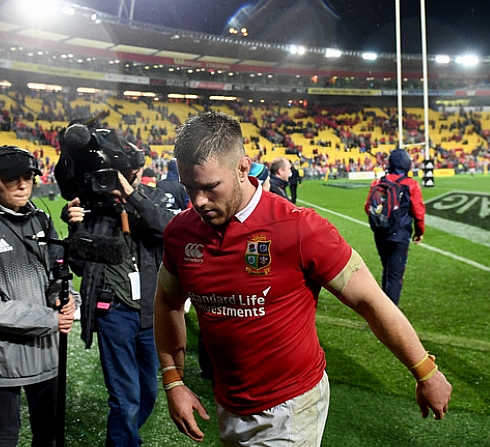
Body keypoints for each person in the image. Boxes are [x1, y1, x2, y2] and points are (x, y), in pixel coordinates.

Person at [154, 113, 451, 445]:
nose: (197, 201)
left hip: (290, 407)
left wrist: (426, 371)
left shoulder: (300, 229)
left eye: (209, 187)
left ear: (242, 168)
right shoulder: (181, 232)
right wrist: (173, 381)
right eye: (189, 187)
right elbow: (168, 300)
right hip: (228, 401)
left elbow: (370, 300)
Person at [0, 145, 75, 447]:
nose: (22, 185)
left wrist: (67, 298)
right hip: (0, 359)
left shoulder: (42, 222)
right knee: (5, 438)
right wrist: (51, 318)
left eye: (28, 177)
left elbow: (57, 275)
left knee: (49, 435)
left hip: (47, 354)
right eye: (11, 179)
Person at [64, 158, 180, 446]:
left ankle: (124, 437)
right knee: (125, 397)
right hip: (113, 310)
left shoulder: (153, 200)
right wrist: (75, 228)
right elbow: (79, 265)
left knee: (147, 392)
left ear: (138, 171)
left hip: (150, 310)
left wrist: (131, 196)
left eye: (129, 173)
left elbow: (166, 228)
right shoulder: (97, 210)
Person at [364, 149, 426, 306]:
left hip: (380, 233)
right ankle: (389, 316)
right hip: (399, 235)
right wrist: (419, 232)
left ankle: (383, 308)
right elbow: (418, 213)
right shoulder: (410, 184)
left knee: (387, 270)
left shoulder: (378, 182)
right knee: (395, 275)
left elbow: (368, 207)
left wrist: (382, 219)